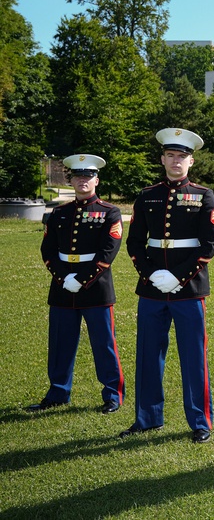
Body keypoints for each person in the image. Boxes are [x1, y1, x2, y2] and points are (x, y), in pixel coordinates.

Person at [120, 128, 214, 443]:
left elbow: (209, 245)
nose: (176, 161)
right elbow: (135, 242)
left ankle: (200, 422)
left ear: (191, 161)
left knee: (194, 356)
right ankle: (148, 417)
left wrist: (178, 276)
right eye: (171, 155)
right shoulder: (147, 195)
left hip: (189, 288)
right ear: (162, 158)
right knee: (149, 354)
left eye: (182, 156)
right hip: (151, 288)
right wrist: (149, 274)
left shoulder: (204, 195)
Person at [29, 154, 126, 415]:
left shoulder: (109, 212)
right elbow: (48, 250)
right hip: (62, 288)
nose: (83, 180)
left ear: (97, 180)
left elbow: (108, 251)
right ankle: (58, 392)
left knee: (103, 343)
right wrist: (63, 278)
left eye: (88, 176)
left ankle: (112, 394)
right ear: (71, 179)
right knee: (60, 342)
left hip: (96, 288)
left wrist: (81, 280)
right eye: (78, 176)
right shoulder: (58, 212)